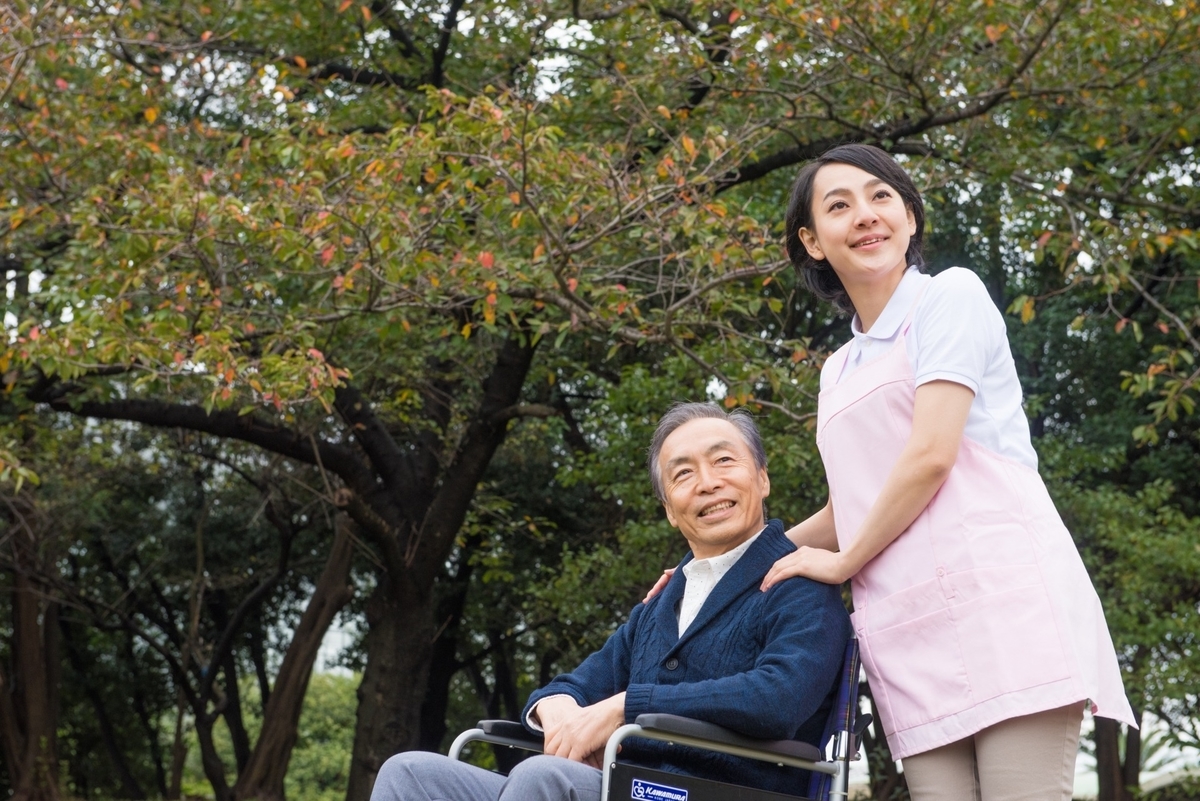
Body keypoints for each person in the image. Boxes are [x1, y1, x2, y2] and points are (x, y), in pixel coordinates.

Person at [760, 144, 1135, 800]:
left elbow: (932, 452)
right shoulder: (835, 369)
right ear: (812, 241)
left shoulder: (950, 297)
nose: (866, 215)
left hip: (1004, 610)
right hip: (911, 640)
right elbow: (849, 502)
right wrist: (729, 566)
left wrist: (844, 562)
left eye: (881, 197)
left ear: (909, 216)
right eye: (839, 205)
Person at [371, 402, 851, 801]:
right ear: (669, 510)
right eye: (683, 474)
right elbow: (578, 684)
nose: (707, 482)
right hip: (624, 787)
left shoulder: (798, 579)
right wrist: (555, 709)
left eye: (724, 461)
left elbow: (779, 698)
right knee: (410, 773)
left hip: (723, 790)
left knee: (543, 777)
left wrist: (624, 707)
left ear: (762, 479)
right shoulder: (661, 605)